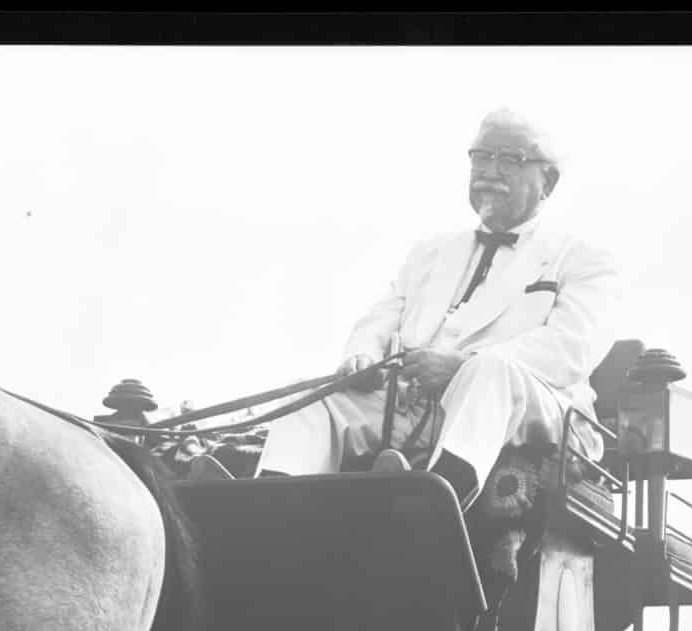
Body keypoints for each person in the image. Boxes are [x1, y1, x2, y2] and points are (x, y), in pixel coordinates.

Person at [255, 107, 619, 509]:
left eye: (509, 160)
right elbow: (382, 315)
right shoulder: (431, 252)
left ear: (547, 180)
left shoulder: (582, 258)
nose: (489, 171)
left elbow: (571, 350)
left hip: (530, 411)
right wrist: (362, 355)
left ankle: (435, 508)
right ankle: (269, 504)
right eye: (481, 157)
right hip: (414, 407)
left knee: (489, 370)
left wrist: (460, 364)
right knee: (316, 397)